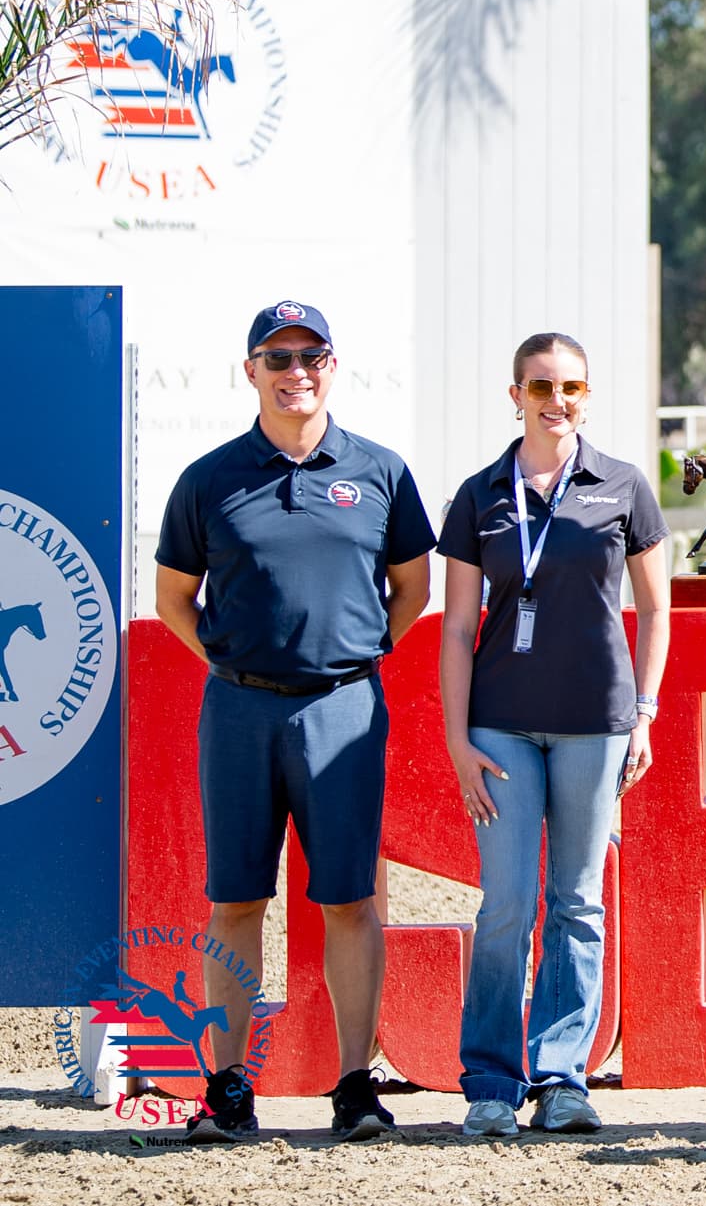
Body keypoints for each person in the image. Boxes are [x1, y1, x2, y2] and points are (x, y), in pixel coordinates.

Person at [153, 300, 435, 1144]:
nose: (295, 370)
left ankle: (354, 1085)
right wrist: (231, 662)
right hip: (239, 709)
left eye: (310, 354)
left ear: (333, 366)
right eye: (276, 357)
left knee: (349, 898)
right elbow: (174, 598)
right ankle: (227, 1087)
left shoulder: (380, 471)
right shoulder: (208, 478)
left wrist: (350, 659)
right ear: (250, 371)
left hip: (343, 708)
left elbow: (413, 589)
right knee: (235, 899)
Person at [437, 333, 671, 1137]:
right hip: (499, 724)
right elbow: (457, 626)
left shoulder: (624, 485)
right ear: (516, 396)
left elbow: (656, 609)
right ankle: (490, 1082)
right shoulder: (478, 495)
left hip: (596, 724)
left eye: (571, 386)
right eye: (540, 386)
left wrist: (645, 710)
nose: (556, 399)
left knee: (577, 900)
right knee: (506, 902)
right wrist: (457, 739)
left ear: (587, 395)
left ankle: (562, 1078)